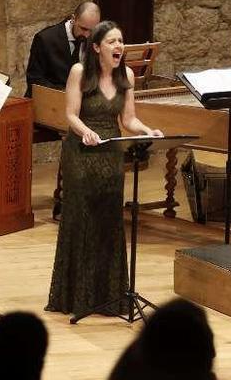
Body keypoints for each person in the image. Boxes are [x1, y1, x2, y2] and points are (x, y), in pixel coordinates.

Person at [45, 20, 162, 318]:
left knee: (109, 219)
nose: (119, 46)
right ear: (96, 47)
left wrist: (147, 130)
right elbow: (70, 113)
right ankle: (76, 297)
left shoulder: (128, 76)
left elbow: (129, 120)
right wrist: (84, 131)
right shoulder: (80, 72)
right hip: (81, 153)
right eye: (112, 41)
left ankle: (108, 295)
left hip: (110, 153)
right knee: (82, 219)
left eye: (120, 41)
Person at [24, 2, 101, 97]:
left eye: (91, 30)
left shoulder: (93, 39)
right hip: (49, 101)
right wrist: (65, 93)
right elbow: (34, 80)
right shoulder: (45, 39)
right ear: (73, 19)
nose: (87, 35)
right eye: (83, 29)